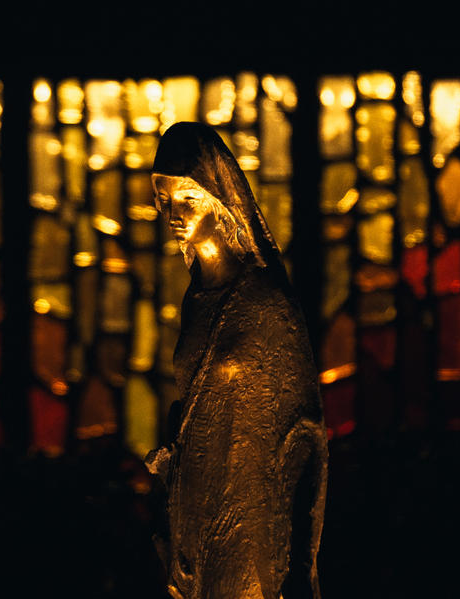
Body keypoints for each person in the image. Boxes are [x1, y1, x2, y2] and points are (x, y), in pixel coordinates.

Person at [146, 122, 328, 599]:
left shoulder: (266, 304)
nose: (173, 214)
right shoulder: (197, 302)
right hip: (194, 512)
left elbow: (302, 428)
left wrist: (299, 553)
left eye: (188, 199)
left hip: (249, 522)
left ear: (220, 202)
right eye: (165, 200)